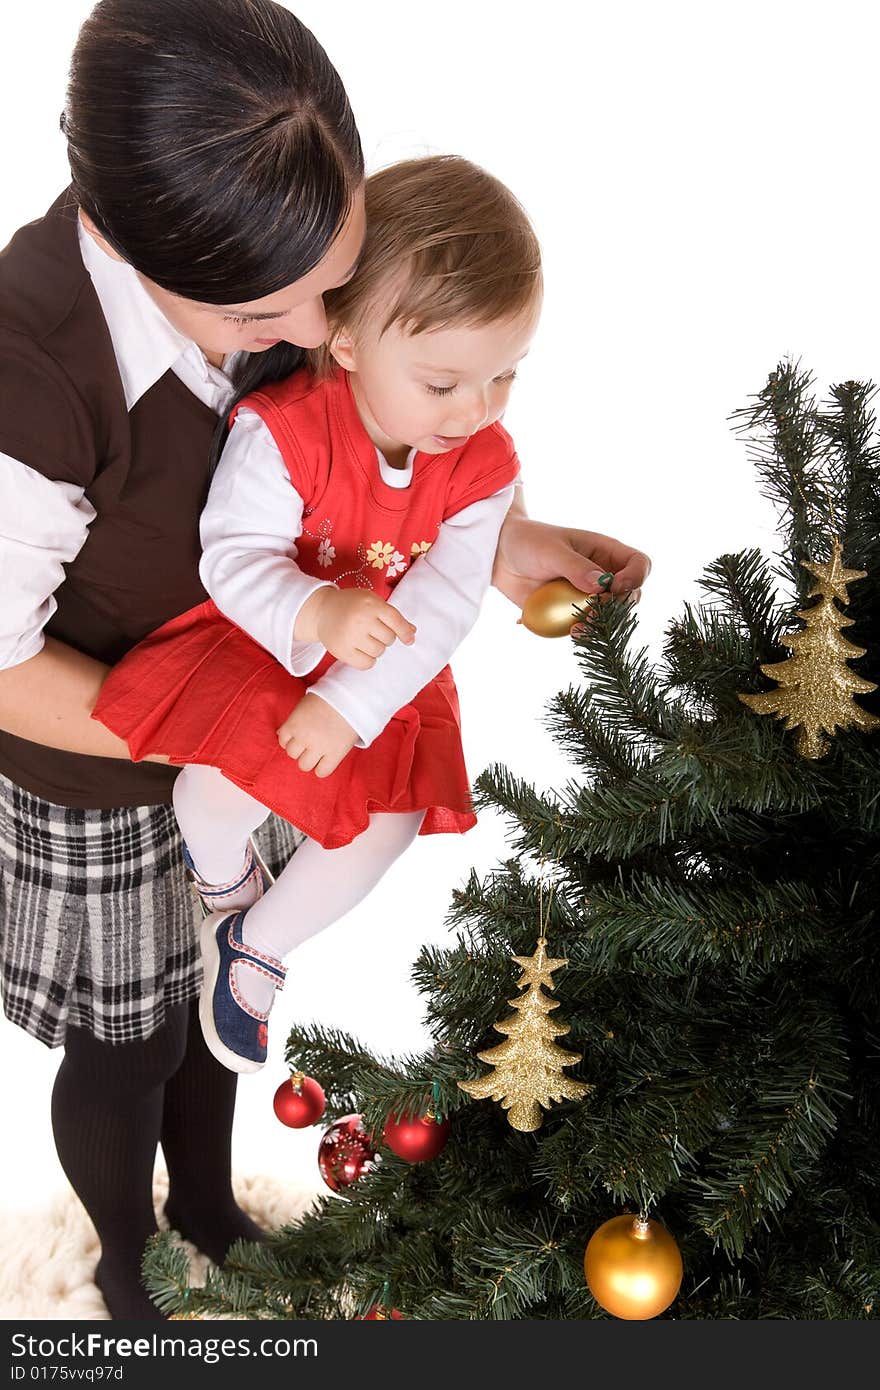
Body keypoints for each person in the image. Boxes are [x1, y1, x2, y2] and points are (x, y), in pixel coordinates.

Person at [0, 0, 649, 1322]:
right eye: (278, 308)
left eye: (333, 283)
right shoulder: (32, 376)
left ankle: (211, 1208)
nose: (317, 331)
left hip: (253, 705)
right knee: (125, 1032)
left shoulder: (276, 285)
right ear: (141, 249)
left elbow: (344, 449)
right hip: (100, 744)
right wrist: (212, 731)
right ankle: (123, 1269)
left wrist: (502, 538)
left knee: (218, 981)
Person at [92, 154, 543, 1074]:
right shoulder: (285, 428)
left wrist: (352, 703)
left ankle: (259, 948)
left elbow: (447, 596)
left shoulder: (484, 461)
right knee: (213, 788)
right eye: (444, 382)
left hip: (390, 667)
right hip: (269, 635)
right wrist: (314, 611)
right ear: (346, 343)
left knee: (392, 823)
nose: (478, 411)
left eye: (506, 376)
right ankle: (224, 879)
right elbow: (232, 556)